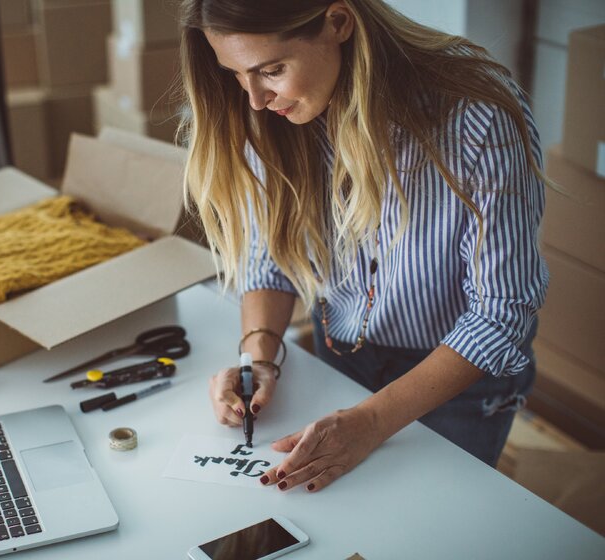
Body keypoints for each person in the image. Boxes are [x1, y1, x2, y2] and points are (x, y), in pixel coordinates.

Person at [177, 0, 550, 493]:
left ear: (338, 22)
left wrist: (371, 422)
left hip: (457, 382)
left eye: (272, 70)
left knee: (430, 526)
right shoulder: (273, 114)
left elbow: (502, 313)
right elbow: (272, 259)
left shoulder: (477, 116)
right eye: (236, 74)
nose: (255, 100)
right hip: (344, 355)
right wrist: (259, 357)